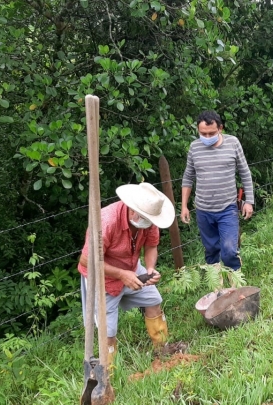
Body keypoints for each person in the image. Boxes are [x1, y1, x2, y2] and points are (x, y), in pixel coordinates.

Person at [77, 182, 176, 370]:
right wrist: (122, 275)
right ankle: (108, 373)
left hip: (131, 267)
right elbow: (85, 260)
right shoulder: (106, 221)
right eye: (144, 217)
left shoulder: (149, 219)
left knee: (154, 300)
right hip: (103, 277)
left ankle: (161, 351)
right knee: (108, 330)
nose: (148, 223)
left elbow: (151, 245)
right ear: (132, 209)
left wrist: (149, 269)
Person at [180, 110, 255, 271]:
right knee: (211, 251)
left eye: (211, 133)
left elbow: (245, 173)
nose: (207, 137)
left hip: (227, 208)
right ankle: (216, 288)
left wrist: (249, 201)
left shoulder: (233, 143)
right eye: (203, 133)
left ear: (220, 128)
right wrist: (184, 206)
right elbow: (188, 177)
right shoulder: (194, 148)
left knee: (229, 250)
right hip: (203, 210)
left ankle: (236, 284)